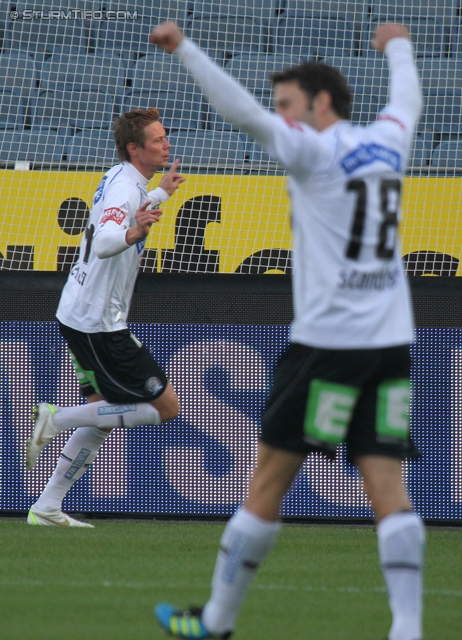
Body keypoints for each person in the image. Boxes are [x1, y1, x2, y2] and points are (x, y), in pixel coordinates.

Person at [149, 21, 424, 640]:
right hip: (390, 342)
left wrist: (187, 49)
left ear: (321, 104)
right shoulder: (389, 140)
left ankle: (216, 622)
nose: (282, 118)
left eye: (289, 106)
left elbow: (240, 112)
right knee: (385, 481)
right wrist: (398, 46)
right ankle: (408, 628)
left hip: (325, 347)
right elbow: (407, 97)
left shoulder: (313, 149)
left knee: (269, 478)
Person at [26, 107, 185, 528]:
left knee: (102, 414)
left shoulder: (125, 178)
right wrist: (135, 232)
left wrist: (162, 194)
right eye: (157, 140)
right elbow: (109, 240)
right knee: (165, 406)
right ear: (135, 148)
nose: (166, 144)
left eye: (165, 136)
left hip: (78, 311)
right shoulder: (125, 190)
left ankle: (46, 507)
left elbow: (123, 214)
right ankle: (56, 419)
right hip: (100, 322)